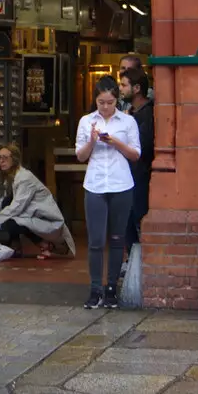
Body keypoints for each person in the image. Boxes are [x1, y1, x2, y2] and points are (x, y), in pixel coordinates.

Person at [75, 77, 141, 309]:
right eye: (101, 102)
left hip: (121, 183)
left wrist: (114, 142)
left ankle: (111, 288)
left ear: (117, 100)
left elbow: (135, 155)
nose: (105, 107)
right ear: (95, 100)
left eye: (110, 102)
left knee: (116, 239)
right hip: (95, 184)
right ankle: (95, 288)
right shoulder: (86, 121)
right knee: (95, 240)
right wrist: (92, 141)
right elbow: (81, 156)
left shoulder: (128, 121)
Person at [0, 144, 75, 259]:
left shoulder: (24, 178)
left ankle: (45, 244)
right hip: (28, 214)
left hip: (44, 219)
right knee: (7, 208)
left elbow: (16, 207)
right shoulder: (11, 177)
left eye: (5, 158)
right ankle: (16, 246)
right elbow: (6, 201)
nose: (1, 161)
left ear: (14, 159)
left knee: (8, 223)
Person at [119, 58, 154, 252]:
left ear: (137, 88)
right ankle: (131, 263)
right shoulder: (129, 113)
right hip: (125, 177)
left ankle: (140, 265)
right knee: (126, 223)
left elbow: (143, 147)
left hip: (140, 176)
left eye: (124, 85)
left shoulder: (147, 115)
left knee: (138, 220)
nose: (120, 89)